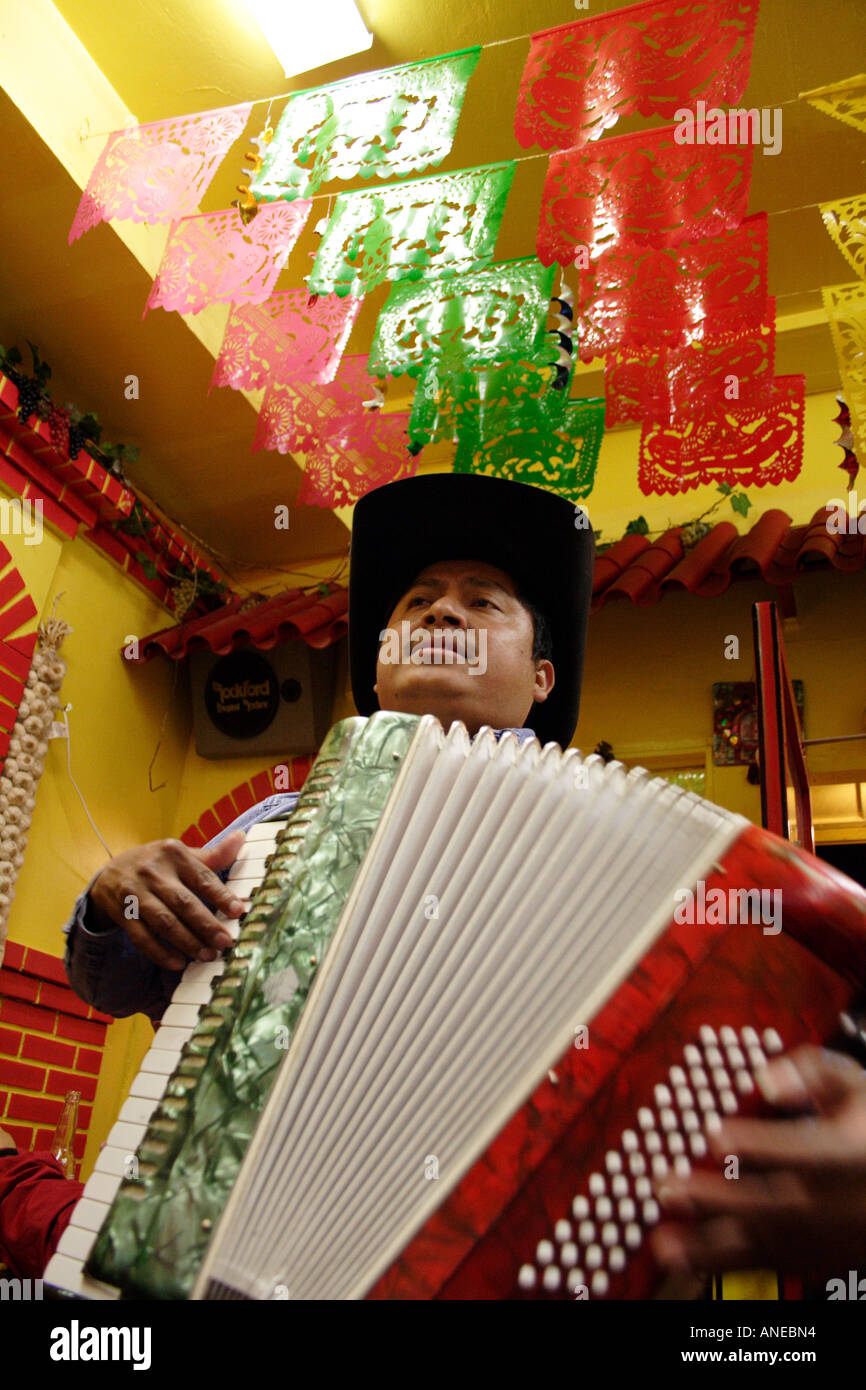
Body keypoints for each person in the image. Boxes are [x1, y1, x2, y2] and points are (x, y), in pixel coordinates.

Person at [51, 471, 866, 1287]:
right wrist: (111, 897)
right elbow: (113, 986)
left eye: (484, 602)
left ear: (542, 678)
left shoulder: (654, 857)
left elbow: (809, 1072)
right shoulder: (272, 828)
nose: (441, 612)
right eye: (416, 603)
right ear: (378, 663)